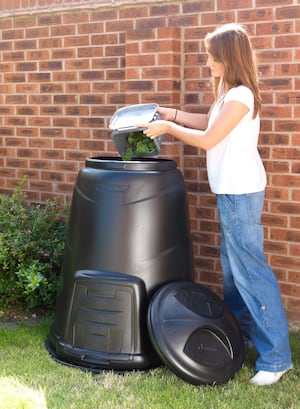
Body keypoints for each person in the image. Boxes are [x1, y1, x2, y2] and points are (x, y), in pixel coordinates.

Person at [137, 23, 293, 386]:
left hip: (241, 195)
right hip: (230, 193)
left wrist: (168, 131)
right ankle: (244, 339)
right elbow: (209, 121)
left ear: (228, 58)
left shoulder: (241, 96)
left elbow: (209, 139)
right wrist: (172, 114)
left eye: (212, 56)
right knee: (233, 276)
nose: (207, 62)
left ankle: (276, 358)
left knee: (251, 274)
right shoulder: (228, 93)